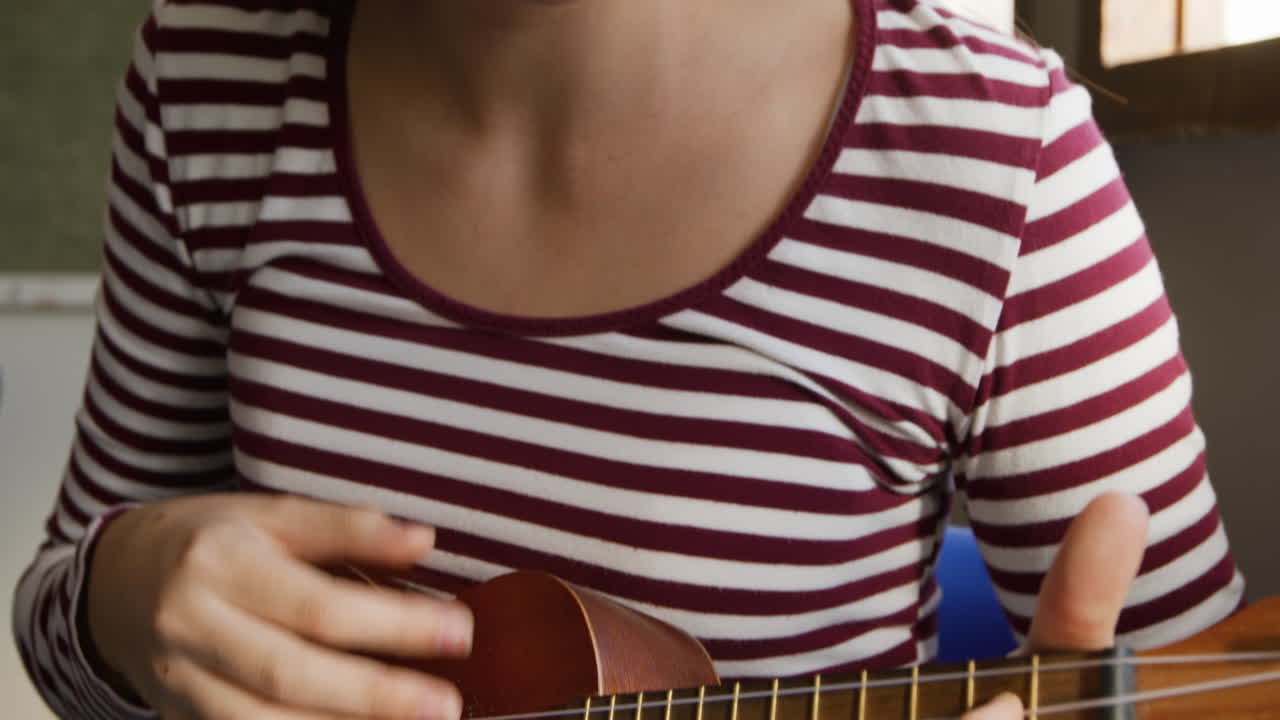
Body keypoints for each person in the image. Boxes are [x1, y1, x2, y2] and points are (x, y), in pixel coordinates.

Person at [12, 0, 1245, 718]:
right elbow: (66, 618)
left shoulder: (995, 159)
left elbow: (1206, 682)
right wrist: (121, 596)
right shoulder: (204, 74)